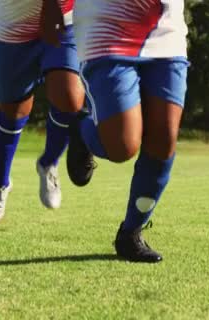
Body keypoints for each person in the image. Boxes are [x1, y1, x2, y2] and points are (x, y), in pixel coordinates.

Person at [71, 0, 189, 262]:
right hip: (108, 26)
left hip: (166, 27)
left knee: (163, 140)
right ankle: (83, 130)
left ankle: (131, 233)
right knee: (123, 146)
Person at [0, 0, 94, 223]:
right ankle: (0, 184)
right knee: (13, 112)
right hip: (13, 28)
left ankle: (49, 163)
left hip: (65, 21)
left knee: (70, 98)